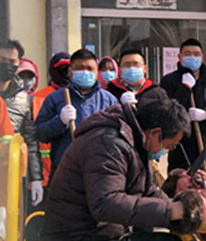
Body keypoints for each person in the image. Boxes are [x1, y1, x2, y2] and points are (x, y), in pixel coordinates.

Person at [41, 98, 201, 241]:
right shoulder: (107, 144)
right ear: (155, 132)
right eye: (168, 146)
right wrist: (169, 211)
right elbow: (105, 203)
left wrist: (181, 211)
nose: (166, 151)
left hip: (98, 235)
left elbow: (147, 190)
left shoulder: (132, 140)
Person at [36, 49, 118, 172]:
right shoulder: (55, 98)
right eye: (80, 68)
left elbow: (119, 134)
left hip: (99, 170)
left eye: (90, 69)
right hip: (64, 170)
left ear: (97, 73)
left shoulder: (109, 100)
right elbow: (40, 133)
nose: (85, 72)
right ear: (70, 72)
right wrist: (60, 121)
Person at [161, 38, 206, 175]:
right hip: (181, 145)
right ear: (179, 57)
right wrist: (185, 88)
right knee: (180, 182)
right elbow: (167, 111)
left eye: (196, 54)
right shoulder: (169, 81)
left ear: (202, 57)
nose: (192, 57)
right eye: (187, 54)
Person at [0, 40, 43, 206]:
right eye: (2, 60)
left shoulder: (25, 100)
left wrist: (36, 177)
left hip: (13, 171)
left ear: (19, 63)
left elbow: (31, 140)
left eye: (12, 61)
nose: (6, 65)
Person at [33, 52, 71, 187]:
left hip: (71, 168)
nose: (65, 73)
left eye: (67, 68)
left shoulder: (80, 96)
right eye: (61, 69)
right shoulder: (39, 97)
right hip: (45, 171)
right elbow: (36, 133)